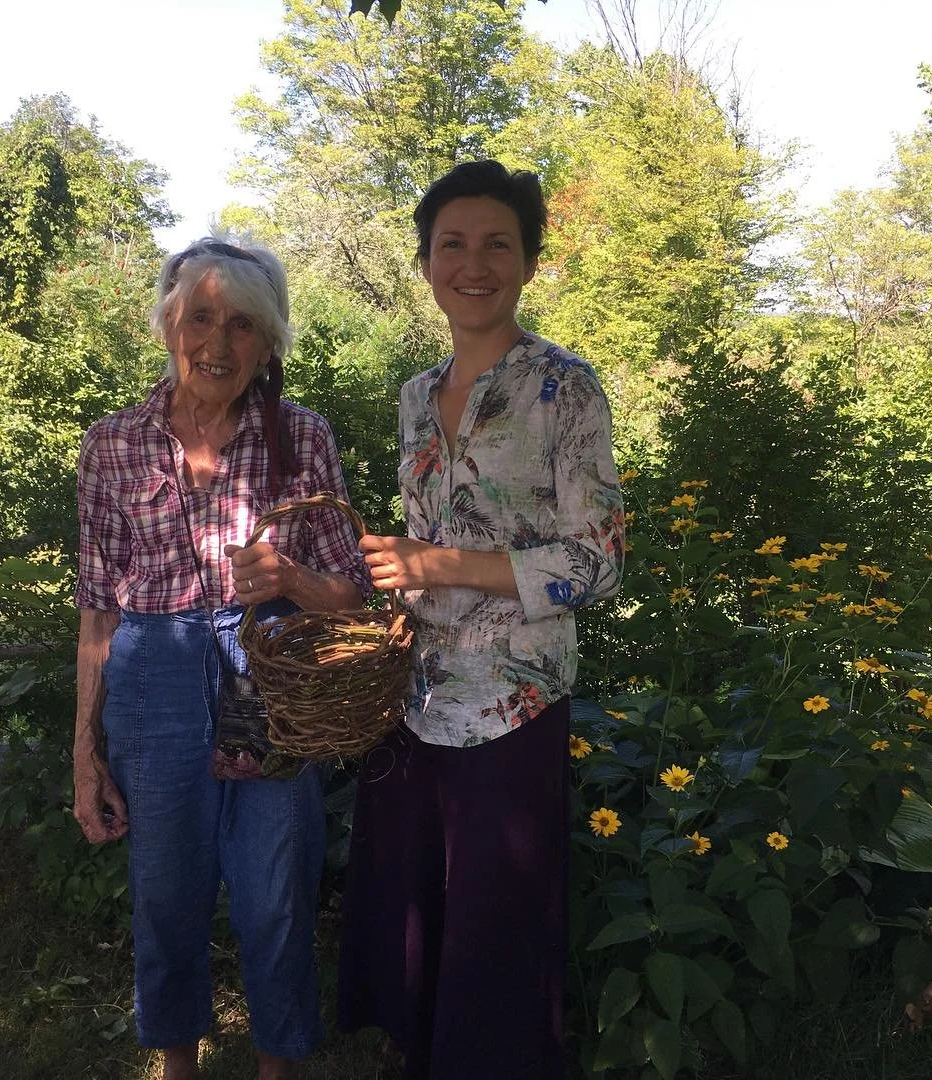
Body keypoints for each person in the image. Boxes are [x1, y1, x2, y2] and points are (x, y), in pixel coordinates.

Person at [340, 161, 625, 1079]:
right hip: (414, 699)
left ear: (529, 262)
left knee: (498, 927)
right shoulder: (414, 396)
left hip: (513, 703)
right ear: (426, 263)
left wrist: (443, 565)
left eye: (498, 243)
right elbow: (419, 545)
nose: (474, 264)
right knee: (418, 913)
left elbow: (599, 562)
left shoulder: (565, 390)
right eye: (452, 244)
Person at [71, 234, 370, 1080]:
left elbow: (353, 595)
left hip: (270, 676)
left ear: (269, 342)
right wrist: (84, 754)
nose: (218, 342)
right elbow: (96, 607)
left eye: (242, 324)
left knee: (276, 894)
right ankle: (178, 1066)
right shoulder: (113, 444)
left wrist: (293, 579)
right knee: (165, 894)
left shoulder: (301, 437)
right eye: (200, 318)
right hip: (151, 671)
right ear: (168, 325)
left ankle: (278, 1067)